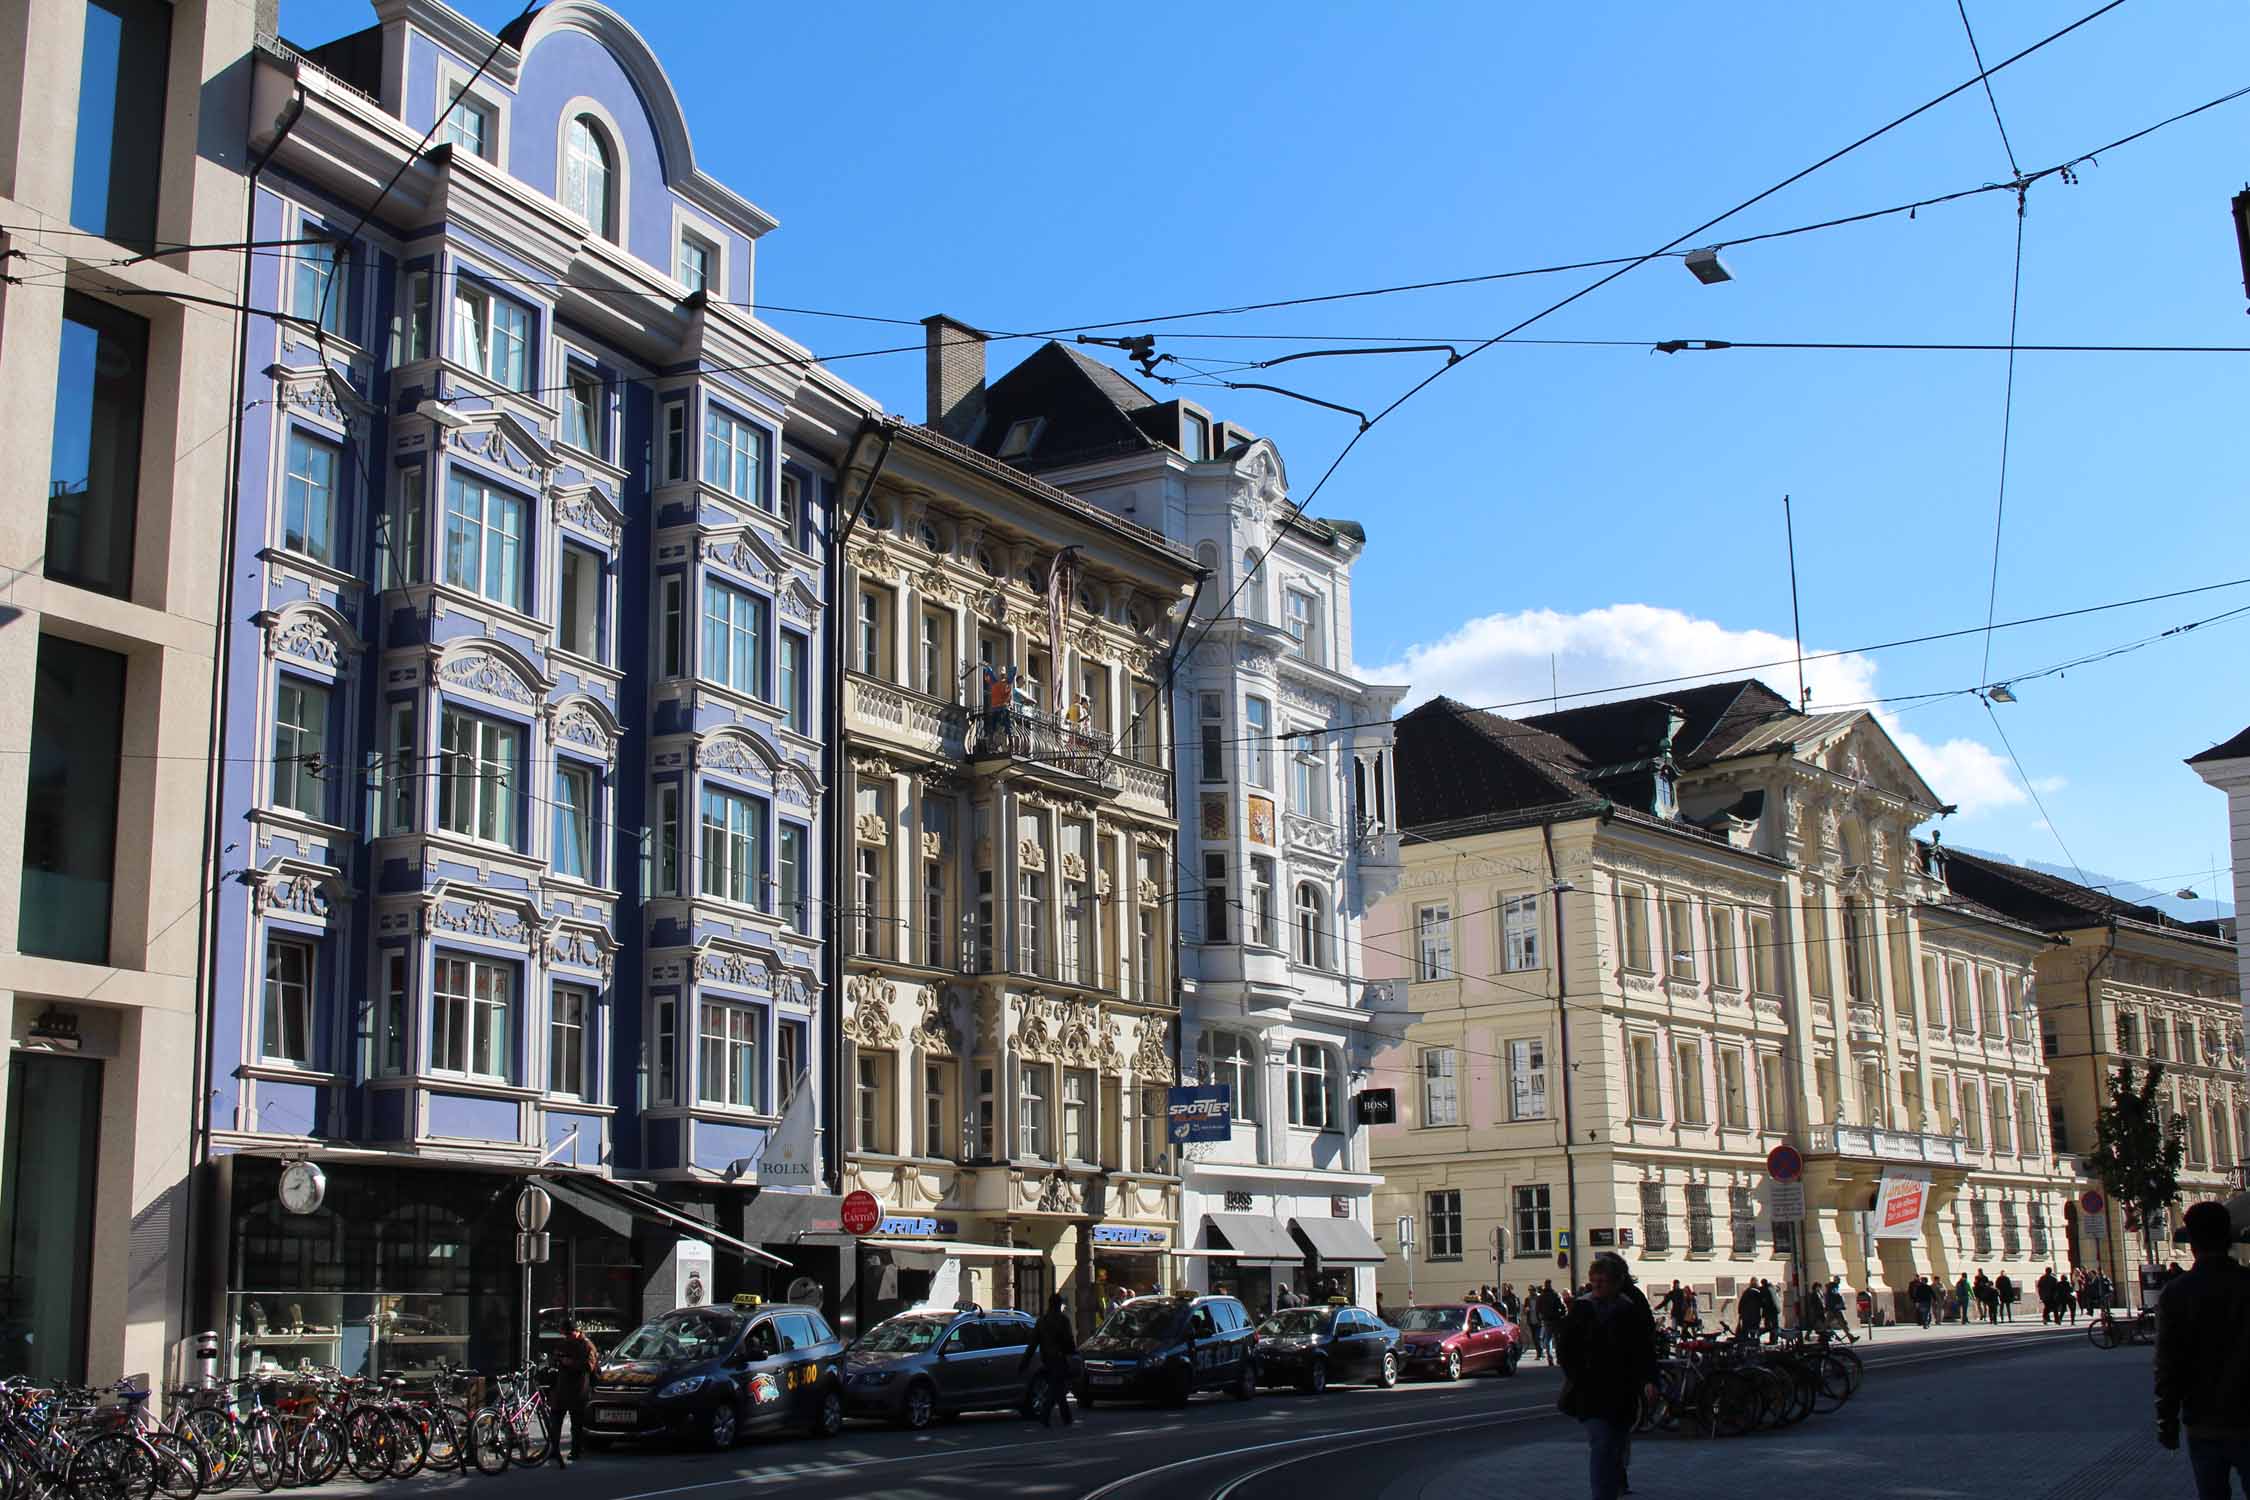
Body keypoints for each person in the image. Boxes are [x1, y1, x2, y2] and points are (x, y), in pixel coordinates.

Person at [2155, 1200, 2250, 1498]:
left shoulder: (2176, 1293)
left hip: (2203, 1420)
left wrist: (2166, 1419)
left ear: (2192, 1242)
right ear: (2229, 1238)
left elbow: (2168, 1363)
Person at [1557, 1252, 1658, 1500]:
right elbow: (1566, 1349)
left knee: (1616, 1446)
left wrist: (1648, 1379)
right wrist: (1578, 1375)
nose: (1597, 1285)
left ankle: (1613, 1487)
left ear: (1616, 1283)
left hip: (1622, 1391)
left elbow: (1644, 1347)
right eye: (1594, 1281)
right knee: (1602, 1444)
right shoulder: (1582, 1309)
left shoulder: (1629, 1308)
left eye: (1603, 1281)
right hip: (1590, 1392)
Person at [544, 1318, 597, 1466]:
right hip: (561, 1388)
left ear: (576, 1332)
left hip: (578, 1388)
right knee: (555, 1420)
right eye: (565, 1334)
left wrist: (571, 1363)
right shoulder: (564, 1342)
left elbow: (589, 1366)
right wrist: (557, 1360)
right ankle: (554, 1450)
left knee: (576, 1423)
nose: (567, 1337)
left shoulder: (587, 1345)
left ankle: (576, 1450)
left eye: (569, 1334)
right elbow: (554, 1358)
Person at [1020, 1293, 1079, 1427]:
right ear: (1058, 1305)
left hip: (1047, 1359)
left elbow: (1033, 1343)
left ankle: (1064, 1418)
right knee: (1057, 1388)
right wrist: (1073, 1353)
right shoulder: (1063, 1320)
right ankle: (1047, 1416)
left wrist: (1025, 1361)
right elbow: (1069, 1341)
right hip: (1060, 1358)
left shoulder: (1042, 1320)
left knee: (1058, 1388)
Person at [1536, 1281, 1566, 1363]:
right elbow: (1563, 1306)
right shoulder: (1556, 1294)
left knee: (1548, 1339)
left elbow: (1537, 1309)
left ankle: (1550, 1358)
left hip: (1546, 1320)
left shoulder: (1541, 1296)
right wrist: (1562, 1315)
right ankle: (1559, 1357)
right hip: (1556, 1319)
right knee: (1557, 1339)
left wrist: (1540, 1318)